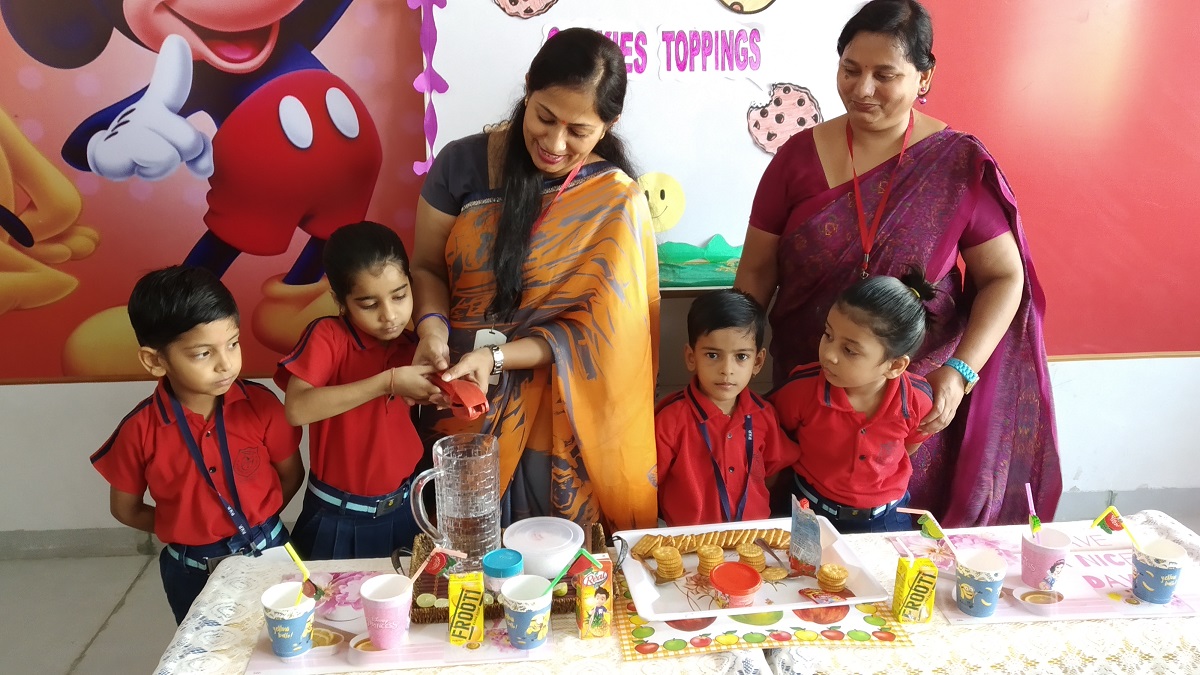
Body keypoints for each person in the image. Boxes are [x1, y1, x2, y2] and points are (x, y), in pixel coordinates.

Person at [734, 0, 1060, 526]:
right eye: (850, 70)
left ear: (925, 74)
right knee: (801, 536)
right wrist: (740, 363)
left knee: (899, 546)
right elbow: (755, 272)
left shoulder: (954, 162)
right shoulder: (797, 157)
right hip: (809, 381)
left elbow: (1005, 276)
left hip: (913, 400)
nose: (863, 89)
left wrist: (959, 372)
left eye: (884, 75)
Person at [410, 28, 659, 531]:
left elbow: (601, 336)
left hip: (563, 410)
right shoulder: (461, 163)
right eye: (544, 116)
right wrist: (431, 327)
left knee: (553, 560)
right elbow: (427, 266)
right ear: (527, 89)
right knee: (464, 550)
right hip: (460, 392)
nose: (555, 142)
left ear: (609, 125)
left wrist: (498, 356)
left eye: (579, 130)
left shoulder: (614, 201)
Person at [90, 266, 304, 624]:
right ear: (155, 360)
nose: (227, 364)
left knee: (286, 640)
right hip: (192, 570)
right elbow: (126, 509)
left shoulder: (263, 406)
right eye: (203, 353)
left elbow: (291, 475)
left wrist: (257, 518)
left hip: (273, 552)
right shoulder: (138, 430)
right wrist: (185, 525)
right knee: (208, 653)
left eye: (233, 344)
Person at [275, 221, 441, 559]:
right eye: (369, 304)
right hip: (337, 518)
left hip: (405, 511)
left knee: (407, 607)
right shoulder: (329, 337)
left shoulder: (413, 344)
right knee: (330, 610)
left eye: (400, 296)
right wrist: (388, 383)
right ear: (340, 300)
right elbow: (297, 407)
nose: (390, 315)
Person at [770, 272, 936, 533]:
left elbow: (910, 444)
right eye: (828, 335)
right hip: (811, 513)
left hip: (887, 519)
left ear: (894, 365)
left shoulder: (919, 400)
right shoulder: (800, 390)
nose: (829, 354)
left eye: (849, 350)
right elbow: (773, 441)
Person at [654, 289, 795, 527]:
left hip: (751, 538)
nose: (727, 369)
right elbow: (652, 484)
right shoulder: (669, 419)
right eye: (712, 355)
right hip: (689, 542)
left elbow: (770, 474)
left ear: (757, 362)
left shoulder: (764, 415)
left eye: (741, 357)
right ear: (691, 357)